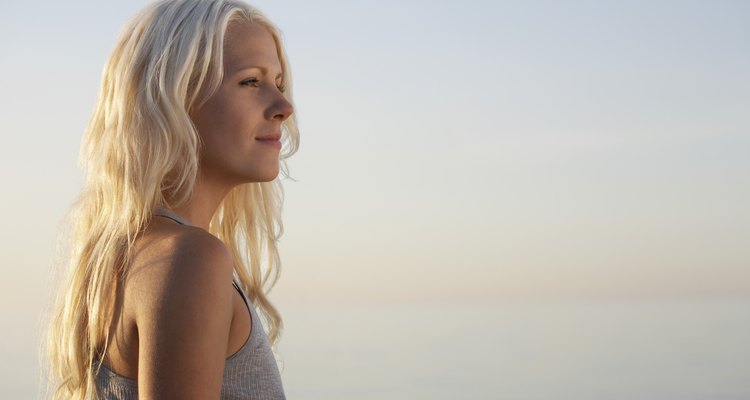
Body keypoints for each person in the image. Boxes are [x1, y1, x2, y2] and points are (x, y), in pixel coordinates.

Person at [45, 0, 299, 398]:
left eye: (279, 84)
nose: (284, 107)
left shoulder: (118, 257)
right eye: (251, 81)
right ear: (177, 96)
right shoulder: (190, 259)